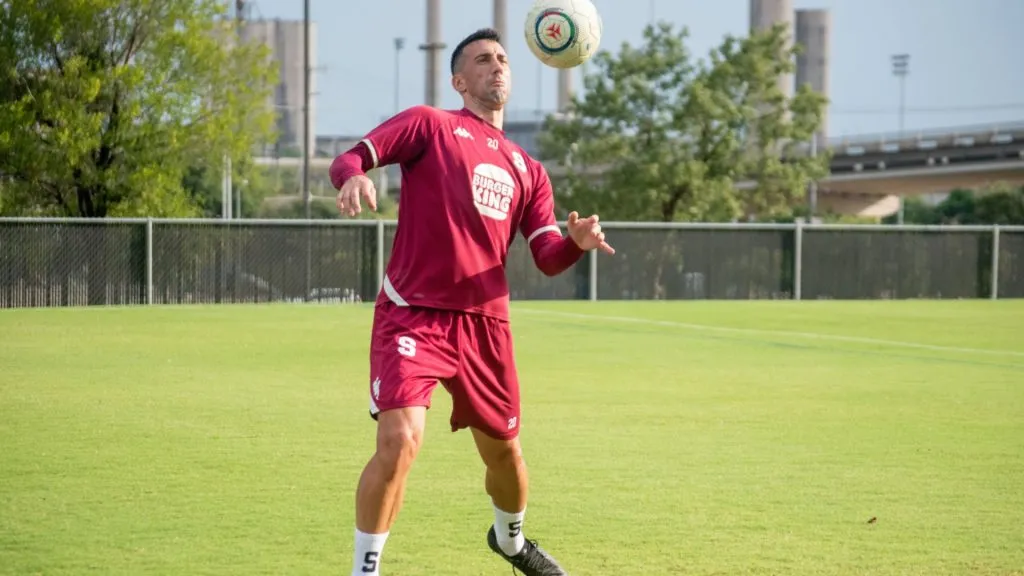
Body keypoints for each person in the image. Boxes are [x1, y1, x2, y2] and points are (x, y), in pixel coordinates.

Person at [329, 27, 614, 576]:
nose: (497, 66)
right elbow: (350, 157)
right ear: (460, 80)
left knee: (506, 454)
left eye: (503, 59)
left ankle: (510, 541)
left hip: (486, 326)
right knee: (400, 440)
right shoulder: (430, 125)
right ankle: (364, 570)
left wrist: (575, 244)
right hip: (413, 313)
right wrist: (354, 177)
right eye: (483, 60)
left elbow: (547, 256)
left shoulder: (528, 169)